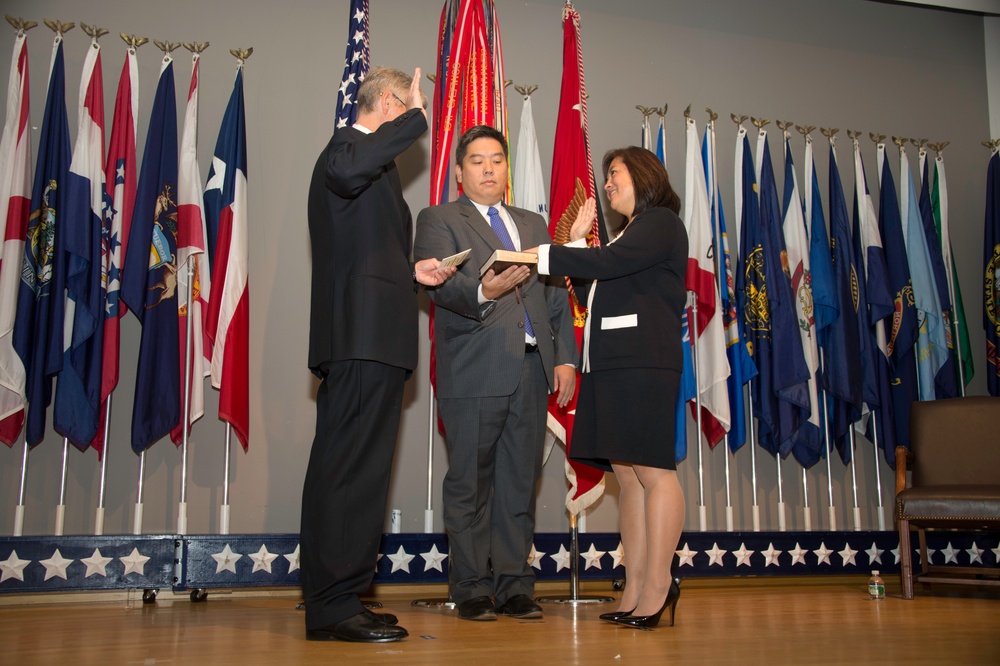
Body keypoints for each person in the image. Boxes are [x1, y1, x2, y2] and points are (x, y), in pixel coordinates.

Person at [301, 66, 455, 644]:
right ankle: (331, 605)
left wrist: (408, 270)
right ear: (388, 102)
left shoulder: (374, 168)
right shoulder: (346, 148)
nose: (417, 115)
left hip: (378, 338)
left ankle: (344, 596)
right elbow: (346, 172)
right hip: (359, 339)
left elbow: (361, 250)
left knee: (363, 472)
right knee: (346, 469)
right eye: (408, 106)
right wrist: (416, 117)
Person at [413, 125, 578, 622]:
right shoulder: (439, 218)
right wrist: (485, 290)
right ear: (459, 171)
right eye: (478, 160)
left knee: (517, 483)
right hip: (473, 370)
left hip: (532, 370)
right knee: (469, 483)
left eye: (497, 160)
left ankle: (514, 585)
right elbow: (440, 286)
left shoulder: (533, 224)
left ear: (508, 168)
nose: (489, 168)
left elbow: (553, 296)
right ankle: (470, 588)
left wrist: (566, 357)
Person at [530, 146, 688, 629]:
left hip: (644, 365)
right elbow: (588, 292)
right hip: (615, 366)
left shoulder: (659, 223)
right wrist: (576, 247)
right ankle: (635, 586)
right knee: (630, 474)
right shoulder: (629, 235)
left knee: (654, 471)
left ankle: (660, 586)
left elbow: (603, 266)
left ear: (642, 175)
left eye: (615, 174)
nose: (608, 185)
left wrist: (542, 253)